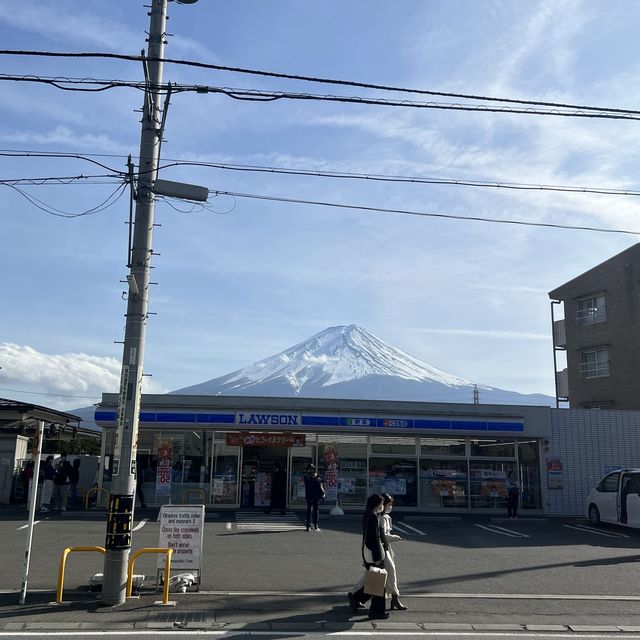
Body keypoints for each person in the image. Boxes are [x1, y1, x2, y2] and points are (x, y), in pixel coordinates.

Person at [348, 493, 388, 620]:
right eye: (381, 504)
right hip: (373, 554)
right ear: (376, 504)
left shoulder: (367, 514)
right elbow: (374, 539)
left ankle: (356, 598)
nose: (383, 506)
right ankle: (376, 611)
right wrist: (377, 557)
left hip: (368, 553)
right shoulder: (373, 517)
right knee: (379, 581)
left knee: (374, 580)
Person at [381, 493, 407, 610]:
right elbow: (384, 536)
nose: (390, 507)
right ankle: (395, 598)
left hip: (385, 548)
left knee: (381, 573)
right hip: (381, 549)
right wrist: (395, 537)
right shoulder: (380, 517)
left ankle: (395, 598)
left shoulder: (385, 517)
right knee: (390, 572)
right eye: (389, 504)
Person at [303, 463, 325, 531]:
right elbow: (308, 482)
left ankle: (316, 524)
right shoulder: (306, 476)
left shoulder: (317, 475)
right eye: (309, 469)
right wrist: (315, 478)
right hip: (309, 495)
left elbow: (323, 480)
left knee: (316, 510)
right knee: (309, 510)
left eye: (312, 469)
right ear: (307, 470)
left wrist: (318, 478)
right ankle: (308, 525)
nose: (311, 470)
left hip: (316, 496)